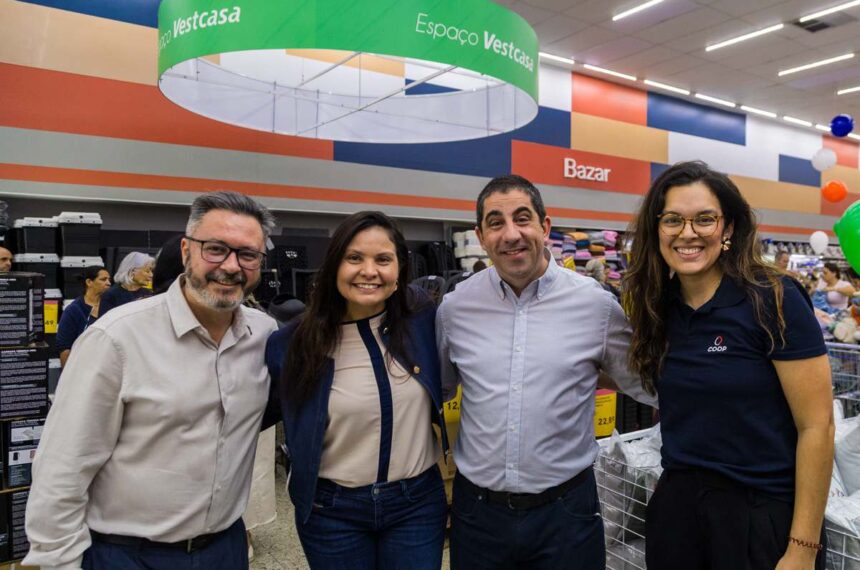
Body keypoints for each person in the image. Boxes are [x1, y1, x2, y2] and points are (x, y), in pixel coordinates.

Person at [24, 191, 279, 570]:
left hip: (225, 548)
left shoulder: (264, 335)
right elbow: (63, 466)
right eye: (215, 249)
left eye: (248, 255)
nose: (231, 266)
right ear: (186, 250)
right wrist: (57, 561)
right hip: (128, 554)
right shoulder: (117, 338)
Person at [436, 175, 654, 569]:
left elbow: (644, 383)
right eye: (496, 223)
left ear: (545, 227)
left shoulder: (595, 306)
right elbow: (438, 389)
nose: (511, 234)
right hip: (478, 515)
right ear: (481, 237)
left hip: (566, 514)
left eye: (523, 218)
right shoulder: (455, 308)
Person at [624, 161, 833, 570]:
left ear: (729, 228)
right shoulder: (658, 308)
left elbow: (817, 426)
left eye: (705, 219)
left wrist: (802, 548)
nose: (687, 233)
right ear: (657, 229)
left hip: (761, 517)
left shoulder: (773, 298)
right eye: (673, 220)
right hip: (679, 516)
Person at [266, 211, 448, 569]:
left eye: (383, 259)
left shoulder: (421, 320)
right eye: (354, 258)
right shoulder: (292, 343)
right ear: (334, 265)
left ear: (399, 269)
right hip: (332, 511)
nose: (369, 271)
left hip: (416, 505)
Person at [55, 265, 111, 366]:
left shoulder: (111, 306)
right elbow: (64, 348)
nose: (108, 283)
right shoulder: (73, 310)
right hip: (82, 366)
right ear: (89, 282)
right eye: (103, 279)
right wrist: (68, 374)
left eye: (109, 279)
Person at [99, 251, 154, 315]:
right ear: (132, 271)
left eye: (151, 271)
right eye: (147, 271)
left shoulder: (149, 294)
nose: (151, 275)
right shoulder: (111, 295)